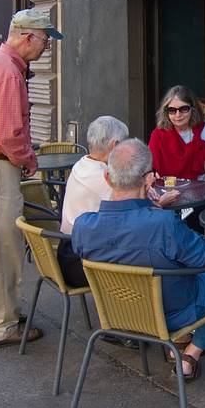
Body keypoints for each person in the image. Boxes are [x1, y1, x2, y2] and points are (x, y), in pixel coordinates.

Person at [71, 139, 205, 380]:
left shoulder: (83, 226)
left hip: (117, 314)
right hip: (174, 312)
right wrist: (158, 213)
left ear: (107, 179)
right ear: (149, 179)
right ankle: (192, 352)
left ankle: (182, 348)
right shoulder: (163, 223)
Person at [0, 8, 63, 348]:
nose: (46, 48)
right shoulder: (7, 71)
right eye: (46, 41)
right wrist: (28, 158)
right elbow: (7, 134)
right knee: (6, 248)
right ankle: (2, 326)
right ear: (27, 36)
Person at [56, 116, 130, 287]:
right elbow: (133, 209)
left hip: (66, 253)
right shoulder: (103, 176)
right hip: (82, 264)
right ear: (115, 145)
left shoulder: (81, 165)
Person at [148, 85, 205, 232]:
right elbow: (147, 169)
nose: (178, 115)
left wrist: (202, 189)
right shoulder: (158, 134)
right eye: (172, 110)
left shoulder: (203, 130)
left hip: (196, 194)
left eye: (183, 109)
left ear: (192, 108)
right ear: (166, 111)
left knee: (194, 234)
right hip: (166, 193)